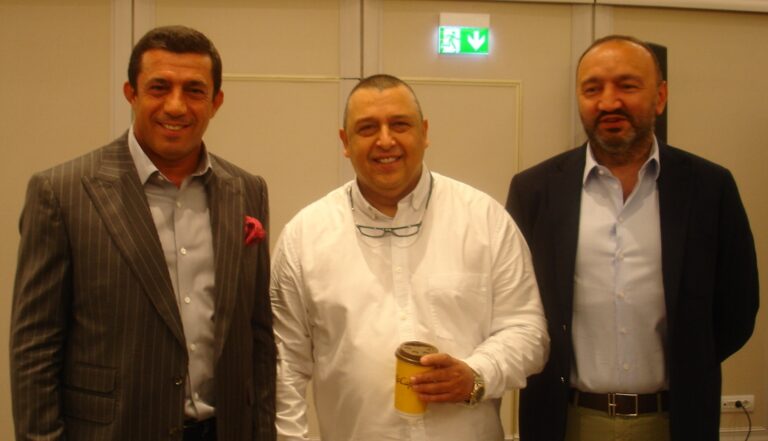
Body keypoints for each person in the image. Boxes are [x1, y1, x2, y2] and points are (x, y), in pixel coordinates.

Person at [10, 25, 275, 441]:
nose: (176, 105)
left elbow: (258, 334)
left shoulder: (246, 190)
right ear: (131, 93)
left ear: (216, 102)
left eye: (194, 90)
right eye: (159, 87)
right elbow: (35, 347)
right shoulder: (62, 193)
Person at [506, 35, 759, 441]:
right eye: (592, 89)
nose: (608, 102)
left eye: (627, 85)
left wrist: (690, 363)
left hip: (675, 422)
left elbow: (738, 307)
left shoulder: (710, 188)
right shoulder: (534, 190)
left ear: (660, 97)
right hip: (565, 420)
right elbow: (513, 304)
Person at [270, 74, 549, 441]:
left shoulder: (485, 220)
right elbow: (285, 365)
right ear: (345, 142)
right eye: (367, 128)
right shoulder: (304, 237)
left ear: (424, 132)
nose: (385, 140)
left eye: (400, 125)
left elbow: (528, 332)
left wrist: (477, 373)